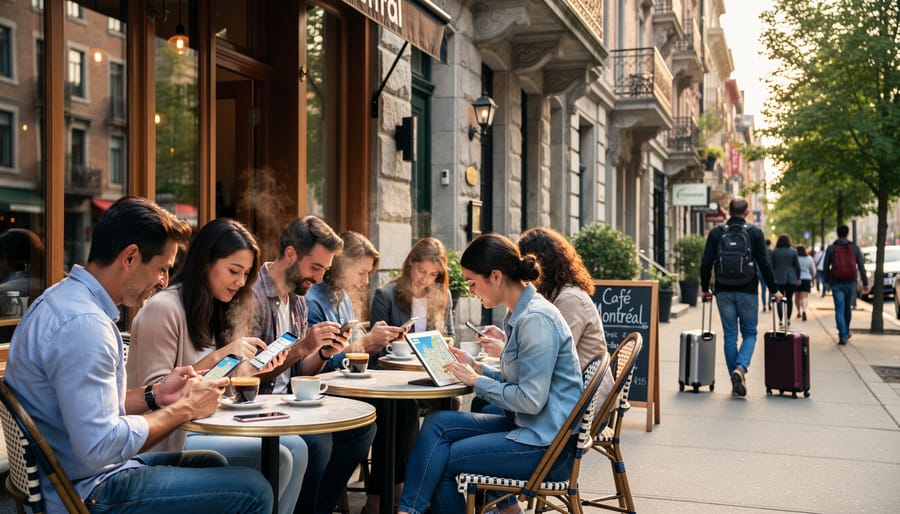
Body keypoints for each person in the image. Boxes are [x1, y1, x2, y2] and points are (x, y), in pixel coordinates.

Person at [5, 196, 273, 513]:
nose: (163, 281)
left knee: (211, 461)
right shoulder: (86, 326)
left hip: (78, 475)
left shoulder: (62, 300)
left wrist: (155, 394)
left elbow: (87, 409)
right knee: (254, 491)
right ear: (130, 257)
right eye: (161, 268)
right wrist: (185, 409)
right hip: (86, 491)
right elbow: (101, 447)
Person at [126, 218, 306, 514]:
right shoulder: (163, 310)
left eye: (246, 274)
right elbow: (155, 397)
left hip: (206, 424)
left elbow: (216, 382)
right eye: (234, 271)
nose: (240, 282)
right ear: (205, 263)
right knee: (285, 456)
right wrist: (220, 356)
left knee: (295, 448)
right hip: (169, 437)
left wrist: (253, 370)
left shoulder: (215, 308)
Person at [396, 234, 583, 514]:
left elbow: (531, 399)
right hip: (534, 427)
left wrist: (476, 381)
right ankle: (408, 510)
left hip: (547, 446)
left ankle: (409, 510)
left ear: (495, 276)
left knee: (442, 460)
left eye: (472, 282)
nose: (470, 290)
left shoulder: (535, 319)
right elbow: (523, 381)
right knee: (436, 423)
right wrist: (478, 368)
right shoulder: (521, 313)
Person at [250, 216, 375, 514]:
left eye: (325, 270)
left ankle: (319, 507)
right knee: (318, 443)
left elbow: (298, 372)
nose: (319, 279)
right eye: (315, 267)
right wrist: (303, 346)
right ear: (291, 254)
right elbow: (250, 372)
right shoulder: (252, 294)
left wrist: (320, 353)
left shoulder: (298, 301)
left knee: (361, 431)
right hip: (257, 407)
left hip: (289, 403)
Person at [305, 231, 410, 514]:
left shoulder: (342, 298)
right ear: (340, 265)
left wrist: (380, 341)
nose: (365, 281)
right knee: (388, 410)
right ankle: (379, 498)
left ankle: (390, 491)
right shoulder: (313, 301)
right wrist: (366, 343)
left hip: (345, 386)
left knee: (406, 405)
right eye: (362, 272)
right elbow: (317, 363)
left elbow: (353, 348)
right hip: (324, 391)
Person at [700, 197, 782, 398]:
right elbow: (764, 264)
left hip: (723, 291)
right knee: (750, 334)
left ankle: (735, 380)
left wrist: (704, 289)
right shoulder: (754, 233)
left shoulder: (717, 233)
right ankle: (741, 369)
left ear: (728, 211)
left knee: (730, 335)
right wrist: (774, 290)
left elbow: (706, 263)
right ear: (746, 212)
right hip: (748, 291)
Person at [370, 236, 456, 338]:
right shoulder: (385, 296)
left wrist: (449, 342)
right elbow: (376, 344)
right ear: (411, 261)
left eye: (433, 274)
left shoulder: (443, 295)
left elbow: (450, 335)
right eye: (421, 271)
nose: (425, 279)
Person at [823, 225, 868, 345]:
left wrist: (826, 282)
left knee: (839, 308)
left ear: (837, 234)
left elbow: (826, 266)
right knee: (847, 308)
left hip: (836, 281)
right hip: (850, 281)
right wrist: (865, 282)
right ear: (847, 234)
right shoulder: (854, 247)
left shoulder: (832, 248)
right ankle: (846, 331)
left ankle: (842, 334)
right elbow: (861, 266)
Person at [771, 234, 800, 328]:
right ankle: (788, 319)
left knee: (779, 299)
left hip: (779, 279)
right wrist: (798, 278)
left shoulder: (775, 252)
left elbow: (772, 266)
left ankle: (780, 320)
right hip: (791, 278)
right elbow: (797, 266)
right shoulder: (793, 251)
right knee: (789, 299)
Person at [795, 245, 815, 321]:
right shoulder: (809, 258)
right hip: (807, 278)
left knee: (797, 297)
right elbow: (813, 270)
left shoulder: (796, 258)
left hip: (797, 278)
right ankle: (804, 310)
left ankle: (798, 312)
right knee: (804, 296)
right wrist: (812, 277)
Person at [759, 238, 772, 311]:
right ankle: (769, 302)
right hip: (769, 272)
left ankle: (764, 305)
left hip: (760, 272)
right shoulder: (771, 251)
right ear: (770, 244)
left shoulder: (761, 251)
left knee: (763, 289)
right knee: (770, 288)